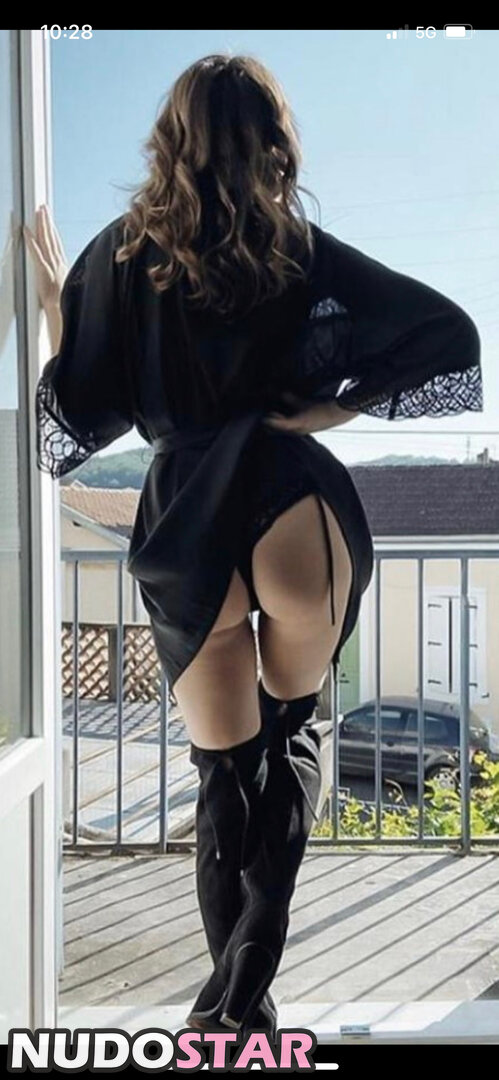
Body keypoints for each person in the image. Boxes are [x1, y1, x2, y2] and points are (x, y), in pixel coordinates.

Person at [26, 53, 483, 1038]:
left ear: (171, 138)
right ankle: (236, 1004)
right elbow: (446, 335)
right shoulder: (299, 249)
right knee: (296, 732)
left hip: (187, 520)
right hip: (289, 504)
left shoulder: (118, 255)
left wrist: (62, 308)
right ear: (273, 140)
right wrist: (327, 411)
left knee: (223, 779)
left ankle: (238, 1018)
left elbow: (79, 410)